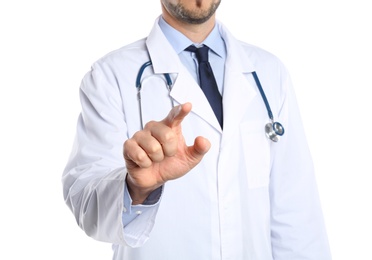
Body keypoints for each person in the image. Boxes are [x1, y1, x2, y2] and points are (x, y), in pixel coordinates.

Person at [62, 0, 332, 259]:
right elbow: (86, 205)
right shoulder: (110, 76)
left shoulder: (269, 72)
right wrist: (135, 189)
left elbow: (296, 214)